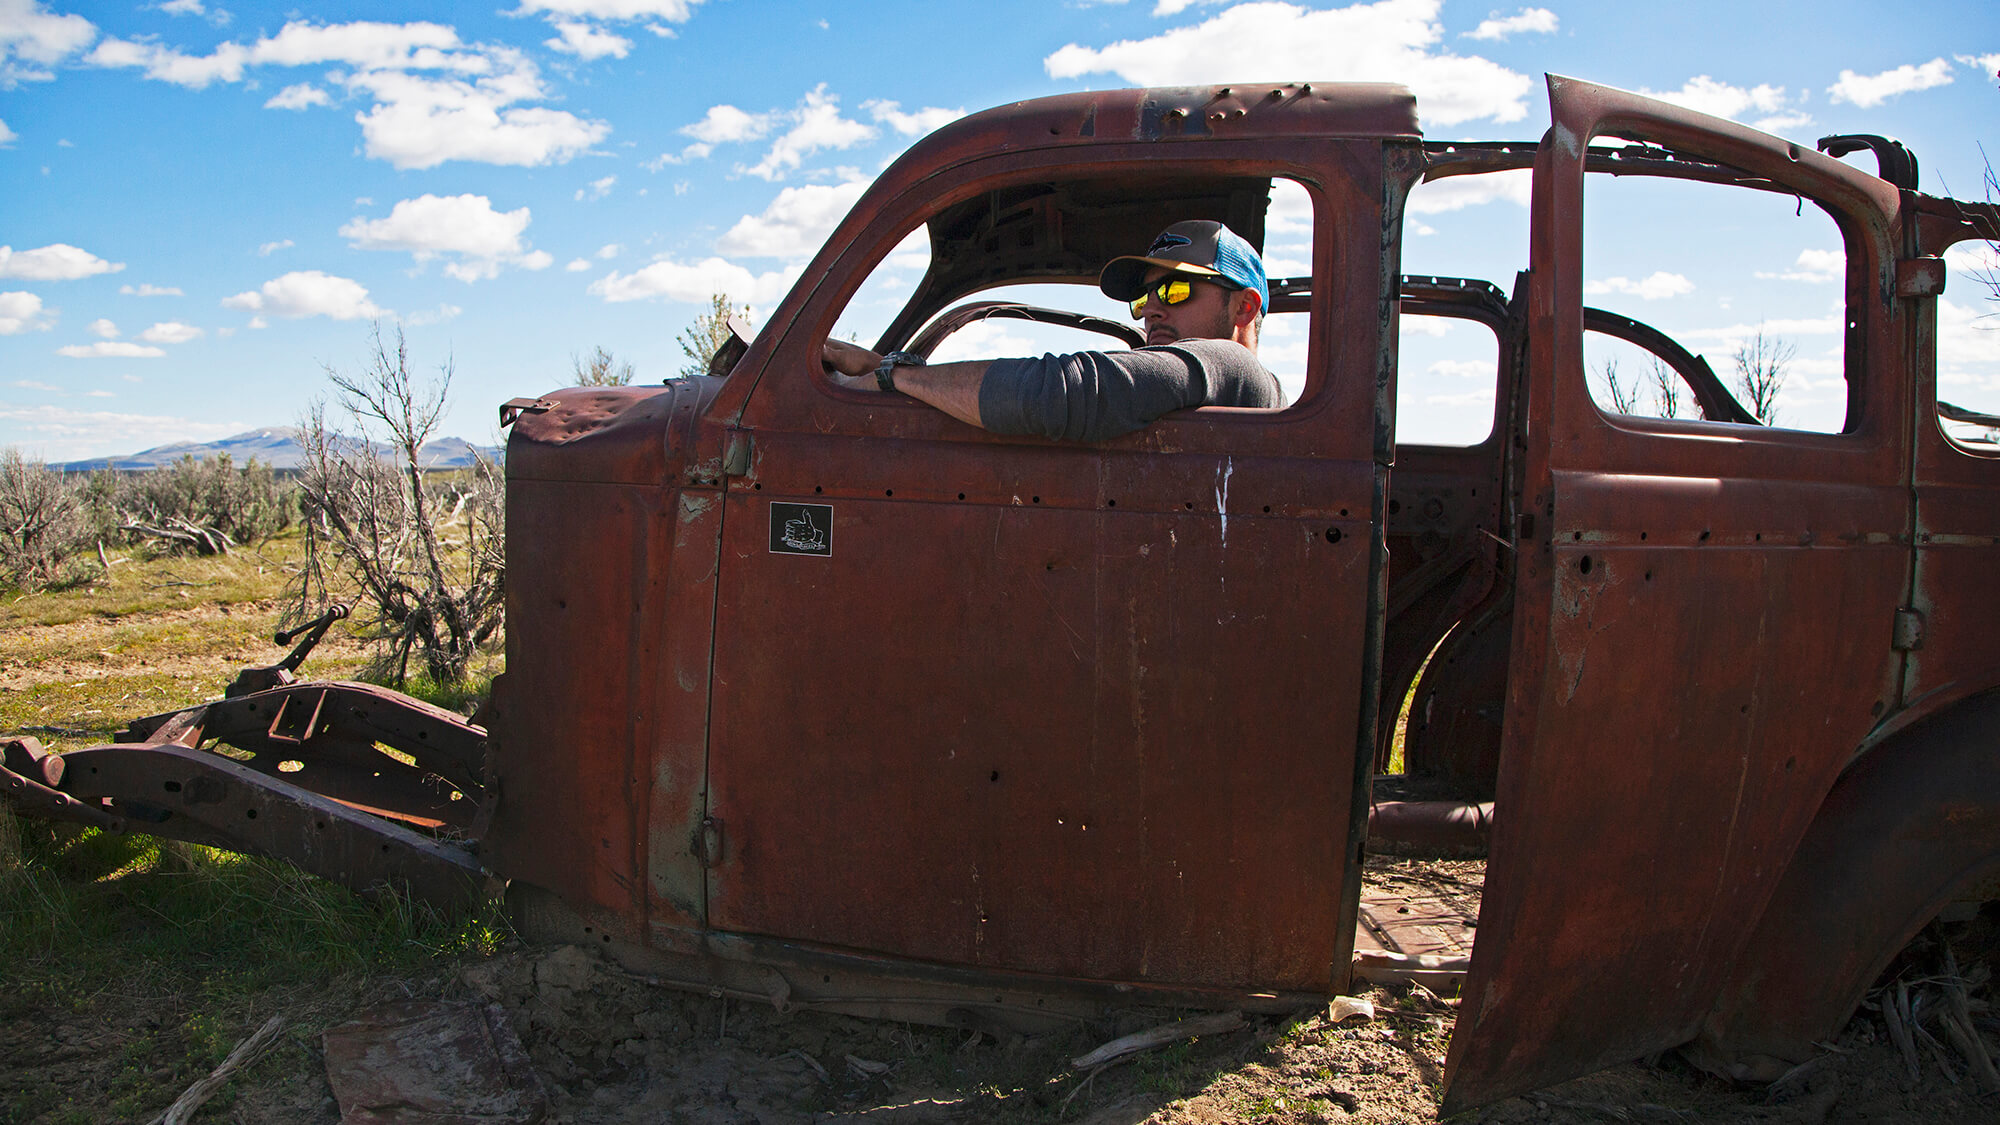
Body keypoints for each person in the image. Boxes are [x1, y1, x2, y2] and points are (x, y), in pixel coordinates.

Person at [821, 220, 1284, 442]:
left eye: (1177, 289)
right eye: (1145, 299)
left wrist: (896, 377)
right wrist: (888, 367)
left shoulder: (1234, 366)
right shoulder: (1211, 391)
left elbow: (1064, 392)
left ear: (1244, 307)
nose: (1152, 312)